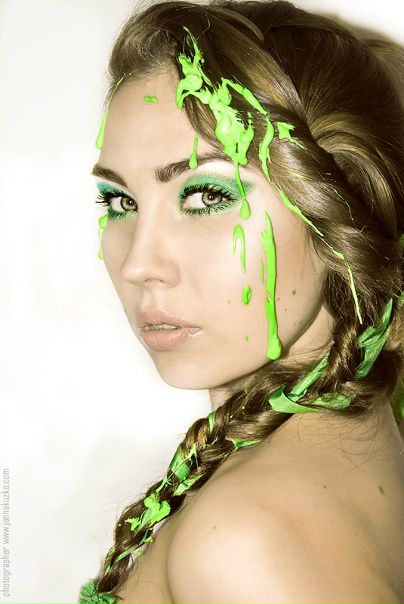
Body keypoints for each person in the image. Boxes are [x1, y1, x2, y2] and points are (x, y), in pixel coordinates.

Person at [79, 1, 404, 602]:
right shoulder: (361, 438)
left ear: (343, 208)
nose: (138, 265)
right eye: (120, 202)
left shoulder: (245, 540)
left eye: (206, 195)